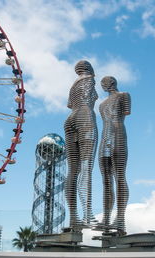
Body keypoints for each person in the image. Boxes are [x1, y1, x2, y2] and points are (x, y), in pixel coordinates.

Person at [64, 60, 98, 229]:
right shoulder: (90, 79)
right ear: (89, 68)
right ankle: (87, 215)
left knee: (72, 171)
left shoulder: (72, 86)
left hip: (70, 119)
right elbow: (88, 97)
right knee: (86, 168)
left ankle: (73, 217)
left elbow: (70, 105)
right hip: (85, 116)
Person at [98, 76, 131, 235]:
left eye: (104, 83)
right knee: (105, 180)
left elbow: (126, 113)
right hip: (105, 138)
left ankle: (120, 219)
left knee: (119, 176)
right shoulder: (101, 104)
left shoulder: (124, 95)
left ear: (111, 83)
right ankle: (106, 218)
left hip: (118, 134)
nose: (103, 86)